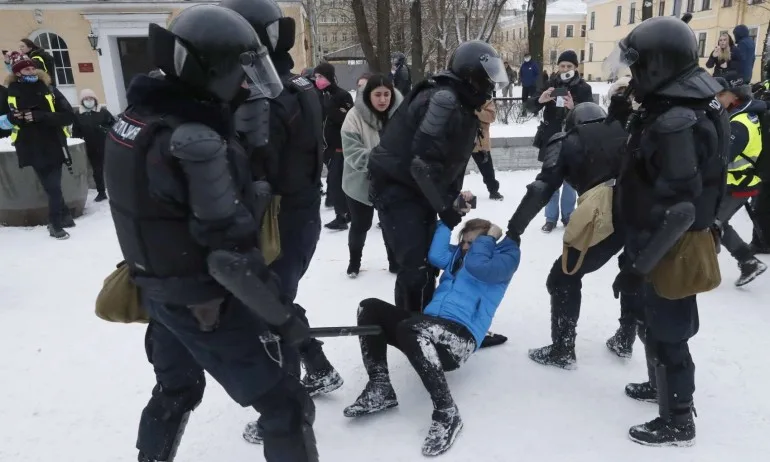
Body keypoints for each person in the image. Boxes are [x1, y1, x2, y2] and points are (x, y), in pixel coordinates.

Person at [102, 6, 317, 461]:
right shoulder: (195, 141)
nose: (245, 85)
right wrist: (281, 317)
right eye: (239, 73)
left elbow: (156, 213)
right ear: (210, 70)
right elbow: (229, 258)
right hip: (203, 302)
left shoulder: (136, 120)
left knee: (177, 388)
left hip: (160, 290)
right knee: (285, 406)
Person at [607, 16, 729, 446]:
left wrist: (639, 267)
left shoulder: (676, 120)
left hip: (670, 246)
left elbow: (679, 209)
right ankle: (659, 387)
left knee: (669, 332)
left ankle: (678, 420)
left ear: (658, 64)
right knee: (654, 321)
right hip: (659, 240)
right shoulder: (684, 105)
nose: (632, 75)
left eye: (637, 66)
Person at [221, 0, 343, 405]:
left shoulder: (262, 95)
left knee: (268, 308)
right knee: (275, 299)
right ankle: (317, 365)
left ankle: (288, 403)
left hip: (275, 217)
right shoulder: (298, 85)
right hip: (300, 212)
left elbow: (256, 174)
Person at [344, 218, 520, 456]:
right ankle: (380, 387)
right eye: (464, 241)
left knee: (411, 327)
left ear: (488, 242)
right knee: (369, 307)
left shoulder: (503, 261)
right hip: (429, 325)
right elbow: (436, 255)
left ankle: (447, 412)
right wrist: (448, 219)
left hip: (461, 336)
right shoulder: (457, 258)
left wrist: (488, 239)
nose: (465, 247)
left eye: (472, 243)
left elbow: (479, 266)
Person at [368, 39, 509, 314]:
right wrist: (444, 207)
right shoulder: (443, 100)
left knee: (428, 263)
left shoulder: (461, 101)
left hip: (418, 190)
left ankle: (424, 318)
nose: (491, 84)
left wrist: (452, 196)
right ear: (472, 74)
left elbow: (445, 161)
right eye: (488, 75)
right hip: (397, 189)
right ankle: (410, 324)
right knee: (415, 267)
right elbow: (420, 164)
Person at [507, 102, 642, 368]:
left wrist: (515, 228)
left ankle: (562, 349)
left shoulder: (567, 141)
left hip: (605, 215)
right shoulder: (627, 130)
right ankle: (625, 338)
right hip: (642, 212)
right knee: (633, 272)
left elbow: (541, 189)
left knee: (563, 277)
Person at [4, 51, 75, 239]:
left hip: (53, 143)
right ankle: (65, 215)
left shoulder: (49, 89)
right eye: (26, 69)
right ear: (17, 73)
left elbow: (68, 116)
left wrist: (40, 116)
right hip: (29, 147)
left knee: (53, 186)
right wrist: (14, 118)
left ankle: (55, 224)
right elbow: (4, 120)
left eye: (32, 67)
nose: (31, 70)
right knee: (50, 186)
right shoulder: (11, 92)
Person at [341, 73, 402, 277]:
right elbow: (352, 153)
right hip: (359, 182)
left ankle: (394, 262)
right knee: (361, 224)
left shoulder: (400, 115)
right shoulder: (354, 117)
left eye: (387, 94)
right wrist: (382, 160)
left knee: (390, 224)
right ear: (368, 95)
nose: (383, 99)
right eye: (377, 94)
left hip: (391, 181)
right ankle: (354, 262)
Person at [527, 50, 593, 233]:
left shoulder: (584, 88)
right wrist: (540, 100)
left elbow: (590, 113)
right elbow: (530, 106)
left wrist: (574, 107)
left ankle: (568, 216)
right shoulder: (550, 84)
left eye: (569, 66)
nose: (565, 69)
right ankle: (550, 218)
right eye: (562, 65)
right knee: (550, 180)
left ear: (575, 67)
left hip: (573, 138)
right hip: (552, 139)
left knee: (570, 182)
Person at [712, 74, 768, 285]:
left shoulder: (740, 123)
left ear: (734, 96)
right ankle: (747, 262)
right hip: (735, 183)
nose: (716, 98)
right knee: (717, 222)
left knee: (713, 223)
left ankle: (746, 262)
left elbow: (722, 157)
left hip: (741, 185)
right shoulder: (739, 114)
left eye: (720, 94)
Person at [315, 61, 354, 231]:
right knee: (335, 182)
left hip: (340, 147)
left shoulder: (342, 95)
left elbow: (347, 119)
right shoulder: (320, 95)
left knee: (338, 183)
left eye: (320, 76)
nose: (318, 80)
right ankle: (346, 212)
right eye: (316, 76)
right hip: (327, 147)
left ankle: (342, 216)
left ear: (329, 76)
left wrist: (331, 109)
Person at [72, 89, 114, 202]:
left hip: (106, 145)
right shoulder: (79, 115)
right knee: (97, 171)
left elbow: (114, 125)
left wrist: (105, 130)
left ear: (95, 100)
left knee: (112, 168)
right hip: (91, 147)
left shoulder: (103, 112)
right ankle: (101, 192)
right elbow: (76, 132)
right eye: (86, 99)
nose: (89, 101)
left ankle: (117, 189)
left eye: (91, 98)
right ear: (82, 101)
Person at [470, 99, 503, 200]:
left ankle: (493, 191)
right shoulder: (458, 95)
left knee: (487, 169)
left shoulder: (484, 98)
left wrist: (476, 110)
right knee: (455, 168)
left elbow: (491, 117)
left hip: (479, 141)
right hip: (460, 139)